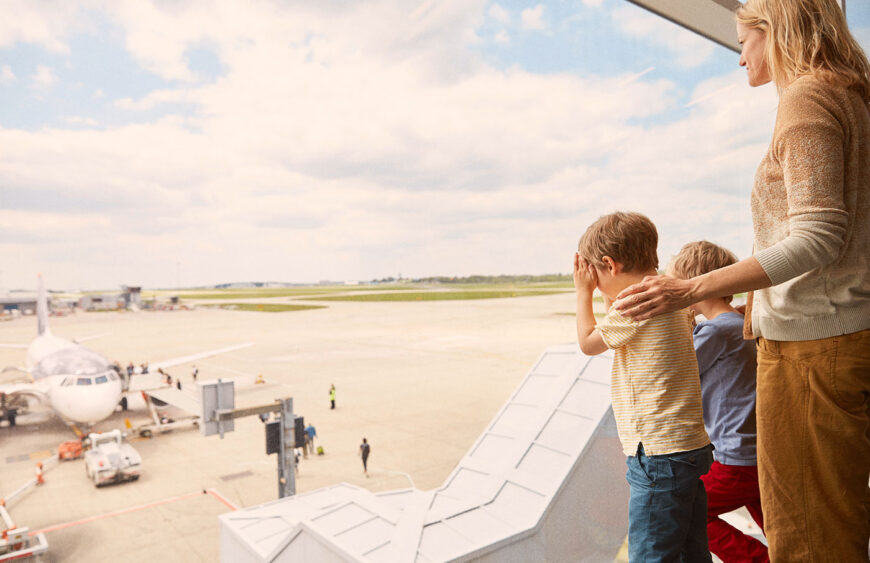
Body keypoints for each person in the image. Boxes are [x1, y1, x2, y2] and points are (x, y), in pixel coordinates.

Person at [614, 2, 870, 559]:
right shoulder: (852, 96)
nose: (740, 58)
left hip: (814, 343)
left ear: (774, 33)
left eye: (742, 42)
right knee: (831, 512)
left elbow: (819, 234)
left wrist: (687, 289)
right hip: (838, 337)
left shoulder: (809, 97)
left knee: (807, 529)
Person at [574, 211, 713, 562]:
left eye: (596, 273)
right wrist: (604, 286)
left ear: (609, 264)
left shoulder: (634, 304)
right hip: (687, 445)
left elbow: (589, 343)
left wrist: (583, 292)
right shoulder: (669, 295)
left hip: (656, 452)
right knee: (690, 550)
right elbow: (620, 324)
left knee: (652, 554)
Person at [670, 241, 768, 563]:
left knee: (687, 511)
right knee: (780, 525)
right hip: (760, 453)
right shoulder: (743, 325)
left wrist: (681, 319)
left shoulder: (713, 333)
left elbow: (675, 374)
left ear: (697, 284)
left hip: (734, 458)